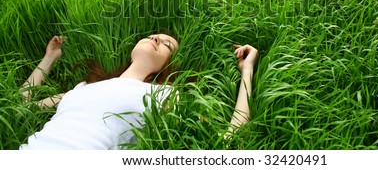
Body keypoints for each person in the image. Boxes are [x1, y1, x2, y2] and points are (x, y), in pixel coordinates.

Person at [19, 34, 258, 149]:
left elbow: (228, 139)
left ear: (166, 65)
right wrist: (49, 59)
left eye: (167, 45)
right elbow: (21, 105)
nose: (156, 38)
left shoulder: (162, 95)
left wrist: (247, 70)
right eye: (153, 36)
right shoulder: (83, 89)